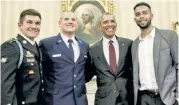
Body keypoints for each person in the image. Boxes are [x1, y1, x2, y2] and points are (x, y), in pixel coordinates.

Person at [132, 2, 179, 105]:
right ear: (135, 19)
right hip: (143, 99)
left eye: (145, 13)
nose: (141, 16)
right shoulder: (134, 44)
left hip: (166, 99)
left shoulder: (169, 36)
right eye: (138, 14)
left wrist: (177, 97)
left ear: (151, 16)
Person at [39, 12, 89, 105]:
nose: (70, 22)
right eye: (66, 19)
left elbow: (86, 71)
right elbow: (40, 71)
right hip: (56, 100)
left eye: (73, 20)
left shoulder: (84, 45)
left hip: (80, 101)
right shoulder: (47, 44)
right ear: (59, 23)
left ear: (77, 24)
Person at [85, 12, 133, 105]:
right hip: (104, 100)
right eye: (105, 22)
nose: (110, 24)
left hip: (127, 99)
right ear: (99, 26)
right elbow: (86, 75)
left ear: (116, 24)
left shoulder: (128, 44)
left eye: (112, 21)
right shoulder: (93, 50)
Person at [1, 9, 43, 105]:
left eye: (37, 23)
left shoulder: (37, 47)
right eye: (29, 22)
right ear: (20, 25)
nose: (34, 26)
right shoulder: (12, 47)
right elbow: (5, 84)